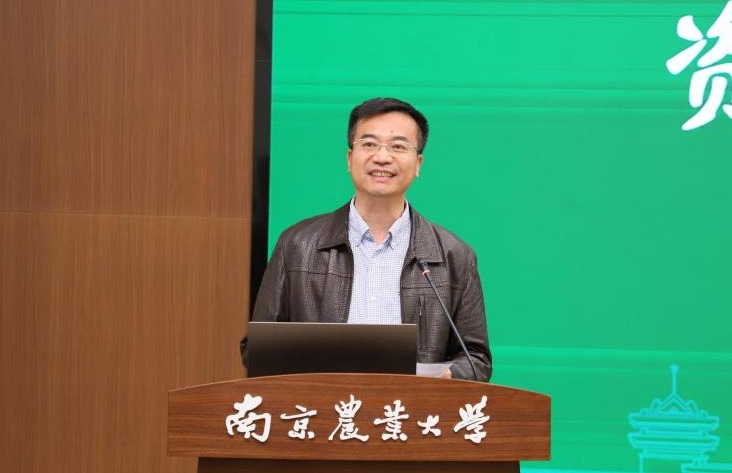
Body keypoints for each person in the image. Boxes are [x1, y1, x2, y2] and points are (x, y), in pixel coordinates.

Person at [240, 97, 492, 381]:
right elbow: (256, 350)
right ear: (350, 158)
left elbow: (477, 360)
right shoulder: (297, 245)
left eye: (398, 146)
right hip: (322, 406)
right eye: (369, 144)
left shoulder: (454, 256)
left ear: (418, 163)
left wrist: (445, 376)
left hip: (410, 407)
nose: (382, 157)